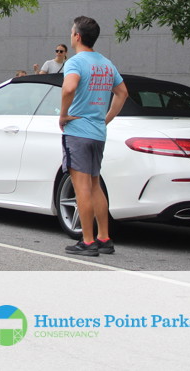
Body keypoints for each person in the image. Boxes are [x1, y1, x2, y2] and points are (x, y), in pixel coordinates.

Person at [58, 16, 128, 256]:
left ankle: (87, 241)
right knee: (95, 184)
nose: (70, 35)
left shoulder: (75, 62)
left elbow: (69, 88)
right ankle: (104, 238)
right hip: (98, 133)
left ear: (77, 36)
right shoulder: (106, 64)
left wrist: (63, 114)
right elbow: (122, 93)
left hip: (78, 131)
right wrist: (106, 118)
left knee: (82, 188)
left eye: (71, 32)